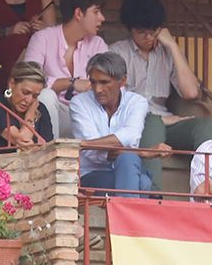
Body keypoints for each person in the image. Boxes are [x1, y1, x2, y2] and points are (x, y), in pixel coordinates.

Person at [109, 0, 212, 185]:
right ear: (130, 28)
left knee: (206, 125)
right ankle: (153, 195)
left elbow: (191, 92)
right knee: (152, 122)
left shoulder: (167, 53)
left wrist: (173, 47)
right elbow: (114, 100)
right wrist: (161, 119)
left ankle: (209, 189)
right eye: (142, 31)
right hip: (135, 122)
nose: (149, 37)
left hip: (167, 121)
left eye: (154, 30)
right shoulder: (117, 52)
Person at [70, 52, 166, 197]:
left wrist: (84, 144)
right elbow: (91, 152)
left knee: (129, 159)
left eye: (104, 82)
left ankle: (124, 218)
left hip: (127, 167)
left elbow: (131, 136)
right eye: (93, 82)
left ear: (122, 81)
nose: (97, 89)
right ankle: (128, 219)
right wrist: (140, 152)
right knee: (143, 183)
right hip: (91, 174)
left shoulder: (137, 102)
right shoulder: (79, 102)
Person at [23, 0, 108, 138]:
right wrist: (70, 83)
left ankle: (97, 157)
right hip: (52, 115)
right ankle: (52, 153)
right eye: (96, 12)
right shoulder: (42, 38)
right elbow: (28, 80)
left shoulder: (98, 44)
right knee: (46, 95)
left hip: (87, 115)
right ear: (78, 14)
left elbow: (108, 83)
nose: (102, 18)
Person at [0, 61, 54, 154]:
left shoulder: (41, 109)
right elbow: (24, 139)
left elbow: (47, 148)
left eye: (35, 96)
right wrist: (30, 115)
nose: (29, 100)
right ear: (12, 84)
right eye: (25, 92)